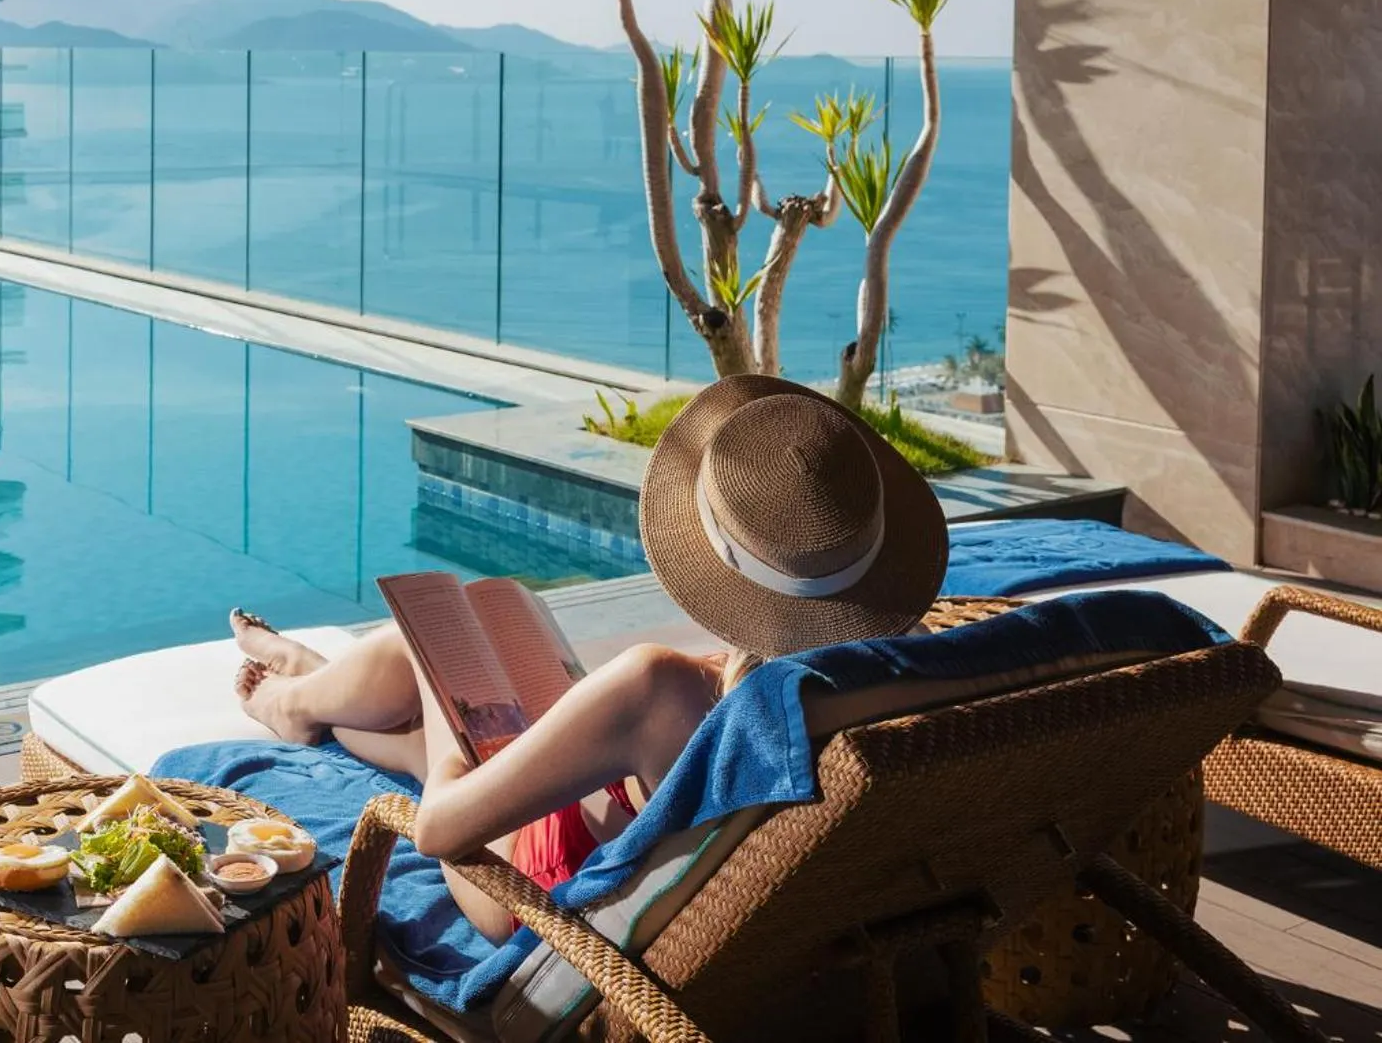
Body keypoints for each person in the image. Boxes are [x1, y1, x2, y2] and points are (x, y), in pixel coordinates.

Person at [229, 374, 950, 944]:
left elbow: (439, 829)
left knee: (420, 653)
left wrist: (457, 700)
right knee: (424, 704)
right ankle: (309, 689)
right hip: (688, 875)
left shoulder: (660, 690)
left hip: (532, 889)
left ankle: (295, 698)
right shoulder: (904, 675)